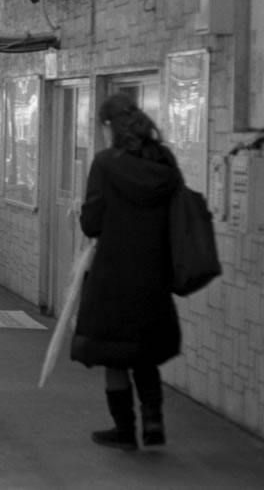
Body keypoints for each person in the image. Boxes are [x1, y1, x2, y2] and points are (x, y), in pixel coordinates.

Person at [70, 92, 182, 451]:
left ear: (108, 126)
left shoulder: (104, 164)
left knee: (114, 354)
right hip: (154, 271)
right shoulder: (165, 162)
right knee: (144, 350)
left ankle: (124, 431)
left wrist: (82, 211)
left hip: (113, 273)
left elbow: (93, 223)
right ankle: (153, 423)